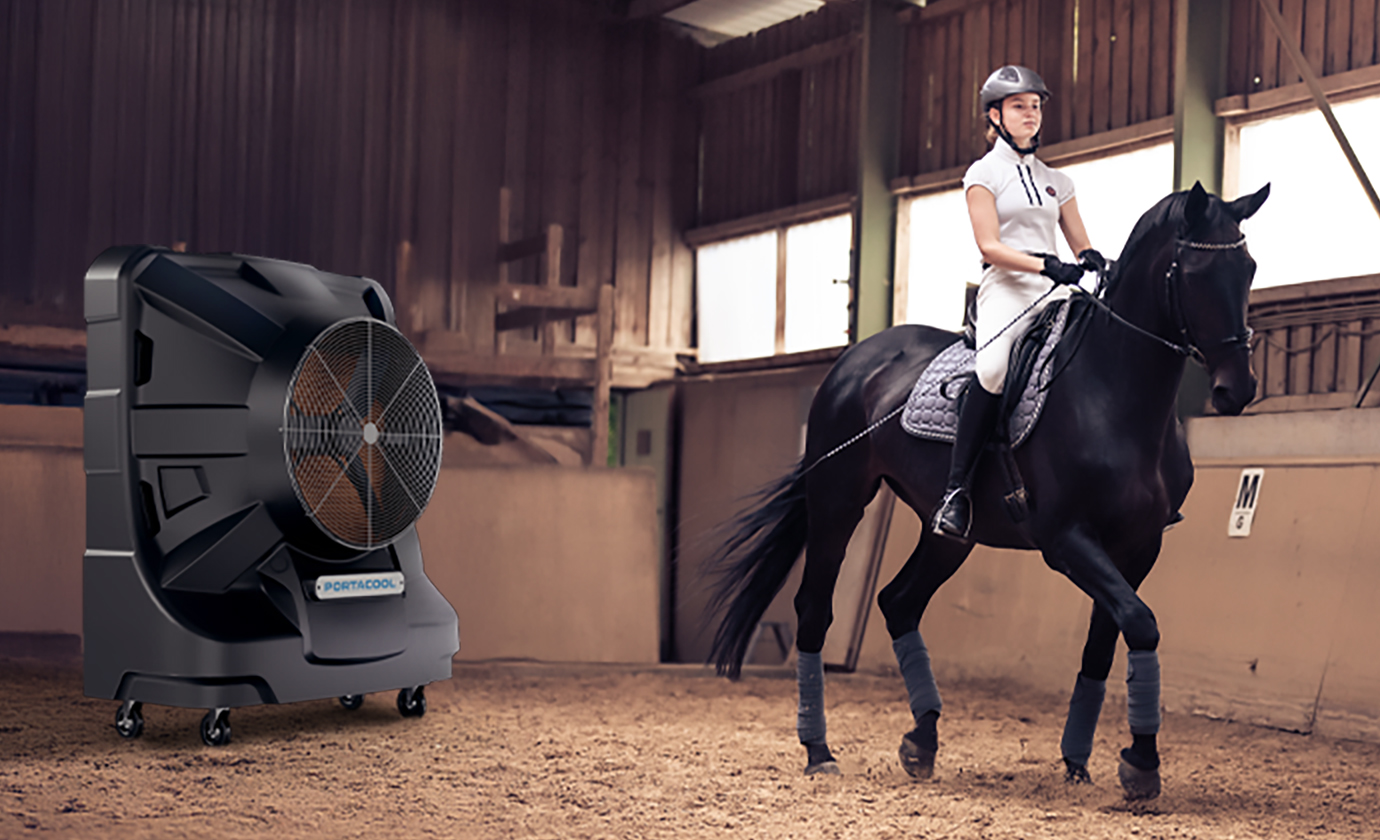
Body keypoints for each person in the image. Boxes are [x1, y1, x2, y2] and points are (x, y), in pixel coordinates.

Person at [933, 65, 1105, 540]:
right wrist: (1045, 264)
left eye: (1035, 106)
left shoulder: (1057, 181)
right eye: (1018, 106)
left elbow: (1079, 244)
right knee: (991, 369)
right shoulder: (983, 174)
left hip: (1055, 291)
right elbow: (988, 245)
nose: (1030, 115)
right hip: (1007, 289)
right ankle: (955, 490)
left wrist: (1092, 259)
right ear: (995, 114)